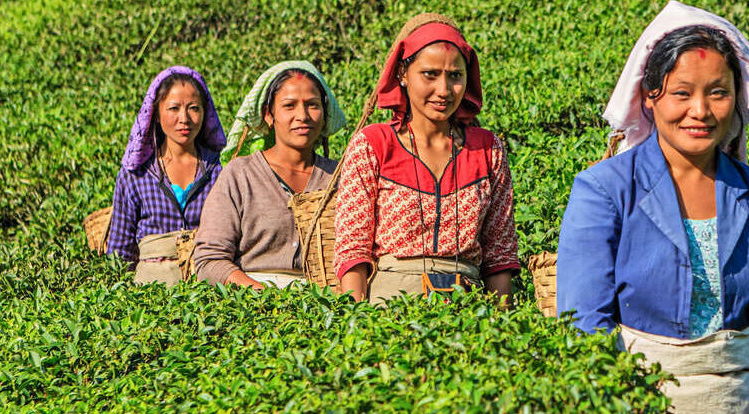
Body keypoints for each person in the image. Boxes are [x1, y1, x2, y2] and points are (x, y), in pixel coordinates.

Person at [556, 2, 749, 414]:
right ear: (650, 97)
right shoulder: (605, 189)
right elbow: (584, 323)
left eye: (718, 92)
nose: (700, 110)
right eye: (681, 93)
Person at [331, 17, 519, 304]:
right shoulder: (374, 144)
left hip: (468, 305)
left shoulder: (488, 148)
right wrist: (356, 320)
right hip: (391, 304)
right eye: (430, 74)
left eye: (455, 76)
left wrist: (503, 325)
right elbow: (353, 249)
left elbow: (499, 252)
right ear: (403, 75)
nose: (444, 90)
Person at [193, 61, 347, 289]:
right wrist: (265, 295)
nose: (302, 115)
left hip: (325, 302)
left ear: (325, 114)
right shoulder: (240, 175)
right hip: (252, 303)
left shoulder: (339, 177)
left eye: (312, 105)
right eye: (289, 105)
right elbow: (209, 261)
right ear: (268, 114)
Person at [107, 66, 226, 285]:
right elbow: (120, 252)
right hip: (151, 293)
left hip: (208, 292)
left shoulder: (220, 170)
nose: (184, 118)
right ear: (156, 114)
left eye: (193, 108)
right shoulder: (135, 175)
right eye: (173, 108)